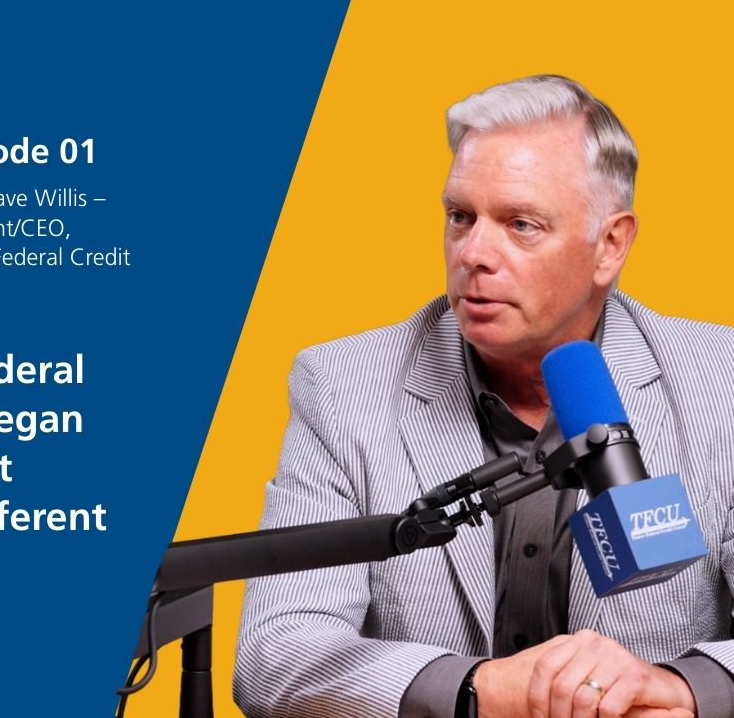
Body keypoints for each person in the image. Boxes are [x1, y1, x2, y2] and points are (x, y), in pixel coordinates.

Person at [233, 75, 734, 718]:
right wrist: (481, 690)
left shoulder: (719, 382)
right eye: (460, 217)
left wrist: (680, 687)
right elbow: (277, 656)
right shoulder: (342, 385)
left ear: (610, 244)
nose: (473, 253)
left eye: (521, 224)